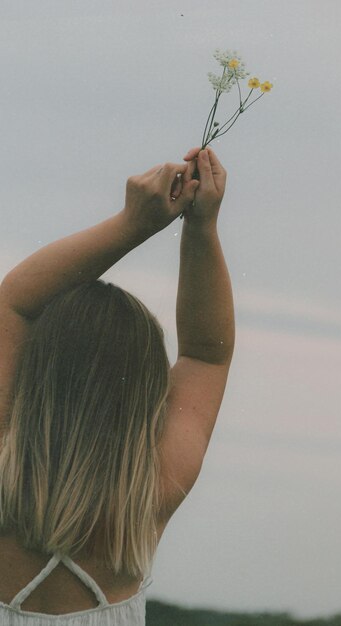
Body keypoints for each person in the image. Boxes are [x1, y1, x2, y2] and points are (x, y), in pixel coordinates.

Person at [0, 145, 235, 624]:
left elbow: (13, 304)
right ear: (146, 390)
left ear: (37, 372)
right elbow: (205, 355)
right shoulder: (151, 492)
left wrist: (133, 223)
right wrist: (201, 226)